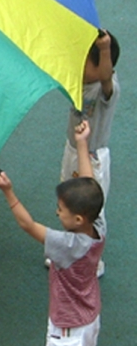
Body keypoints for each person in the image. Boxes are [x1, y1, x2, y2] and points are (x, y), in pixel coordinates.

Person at [0, 120, 103, 346]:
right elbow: (90, 184)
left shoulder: (68, 244)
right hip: (90, 317)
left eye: (60, 210)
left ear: (78, 219)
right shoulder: (98, 225)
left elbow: (28, 225)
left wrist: (8, 192)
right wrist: (82, 144)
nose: (57, 213)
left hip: (68, 324)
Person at [58, 29, 119, 277]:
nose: (80, 67)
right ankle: (70, 250)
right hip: (73, 149)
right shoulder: (80, 82)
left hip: (93, 157)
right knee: (69, 199)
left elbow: (105, 76)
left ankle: (94, 260)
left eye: (85, 62)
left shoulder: (105, 89)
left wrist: (103, 49)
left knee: (91, 207)